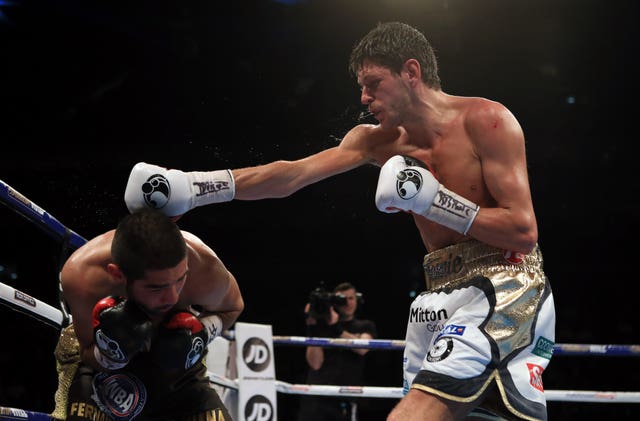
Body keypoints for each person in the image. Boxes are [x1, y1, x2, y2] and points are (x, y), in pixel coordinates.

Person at [124, 21, 556, 421]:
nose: (364, 99)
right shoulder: (376, 141)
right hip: (438, 292)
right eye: (362, 87)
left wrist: (436, 202)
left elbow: (523, 229)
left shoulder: (487, 121)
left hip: (504, 280)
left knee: (419, 409)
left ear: (411, 71)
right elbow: (291, 174)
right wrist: (194, 188)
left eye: (373, 84)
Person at [50, 208, 244, 421]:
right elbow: (86, 349)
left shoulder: (205, 270)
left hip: (178, 369)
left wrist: (201, 334)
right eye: (156, 288)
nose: (171, 297)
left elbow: (233, 307)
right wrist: (111, 354)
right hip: (104, 374)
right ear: (118, 275)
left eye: (180, 280)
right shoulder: (83, 278)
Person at [298, 282, 377, 421]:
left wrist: (336, 327)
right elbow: (315, 364)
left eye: (351, 298)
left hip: (345, 397)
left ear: (357, 300)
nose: (347, 302)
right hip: (317, 394)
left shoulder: (365, 326)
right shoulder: (321, 327)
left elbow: (362, 348)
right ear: (335, 301)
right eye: (342, 298)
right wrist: (312, 327)